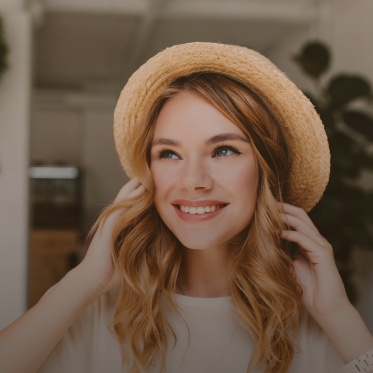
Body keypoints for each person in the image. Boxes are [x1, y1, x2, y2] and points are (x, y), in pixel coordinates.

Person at [1, 42, 372, 373]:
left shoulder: (318, 326)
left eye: (223, 150)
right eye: (169, 153)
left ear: (265, 170)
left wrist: (340, 315)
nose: (193, 179)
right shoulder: (100, 315)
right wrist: (84, 280)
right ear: (147, 177)